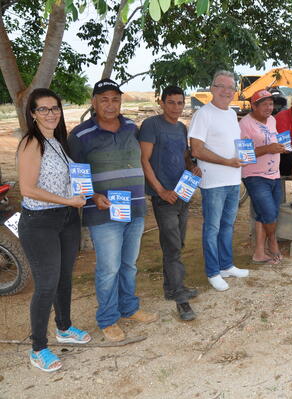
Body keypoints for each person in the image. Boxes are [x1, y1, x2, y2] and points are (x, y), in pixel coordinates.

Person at [68, 78, 157, 342]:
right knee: (109, 268)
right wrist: (92, 196)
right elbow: (77, 176)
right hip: (103, 213)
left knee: (129, 264)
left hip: (135, 207)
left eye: (115, 98)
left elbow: (141, 159)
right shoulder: (80, 135)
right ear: (94, 103)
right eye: (104, 99)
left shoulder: (131, 126)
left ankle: (129, 308)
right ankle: (108, 319)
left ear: (120, 101)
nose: (110, 104)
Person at [17, 88, 91, 372]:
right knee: (47, 283)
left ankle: (64, 327)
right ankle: (38, 348)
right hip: (40, 222)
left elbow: (66, 178)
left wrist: (79, 193)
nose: (51, 114)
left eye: (55, 108)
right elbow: (28, 189)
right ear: (33, 114)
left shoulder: (58, 141)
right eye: (44, 109)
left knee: (64, 278)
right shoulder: (31, 143)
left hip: (67, 218)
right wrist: (68, 200)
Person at [139, 85, 200, 321]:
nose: (176, 107)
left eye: (180, 103)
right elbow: (144, 160)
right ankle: (178, 296)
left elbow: (184, 156)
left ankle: (172, 286)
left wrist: (192, 168)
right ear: (162, 102)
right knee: (172, 244)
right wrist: (160, 191)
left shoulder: (181, 128)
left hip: (182, 193)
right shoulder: (151, 126)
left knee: (177, 242)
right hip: (164, 197)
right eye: (171, 102)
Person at [189, 70, 249, 292]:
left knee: (227, 225)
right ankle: (213, 272)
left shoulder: (232, 114)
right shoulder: (203, 114)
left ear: (234, 92)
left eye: (230, 87)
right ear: (212, 88)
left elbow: (232, 143)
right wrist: (226, 161)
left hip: (233, 179)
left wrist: (243, 151)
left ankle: (226, 265)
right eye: (221, 86)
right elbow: (196, 149)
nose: (226, 91)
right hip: (213, 182)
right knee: (212, 228)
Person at [240, 90, 285, 264]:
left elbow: (274, 143)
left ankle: (259, 252)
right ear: (254, 106)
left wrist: (280, 147)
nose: (269, 107)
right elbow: (243, 156)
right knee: (269, 213)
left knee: (263, 214)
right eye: (264, 104)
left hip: (275, 175)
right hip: (254, 175)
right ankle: (272, 242)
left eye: (271, 104)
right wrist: (268, 149)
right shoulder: (245, 124)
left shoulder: (272, 120)